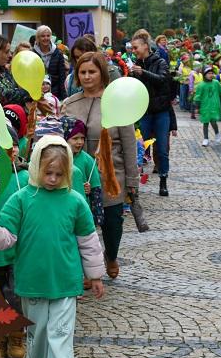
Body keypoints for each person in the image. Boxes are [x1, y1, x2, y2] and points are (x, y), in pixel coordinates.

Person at [0, 136, 106, 358]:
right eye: (48, 172)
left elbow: (88, 239)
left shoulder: (75, 201)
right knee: (38, 333)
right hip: (32, 281)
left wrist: (95, 275)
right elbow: (6, 238)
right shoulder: (21, 199)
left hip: (65, 281)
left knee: (61, 333)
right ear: (36, 167)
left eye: (59, 174)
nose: (52, 178)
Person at [62, 52, 139, 279]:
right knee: (81, 224)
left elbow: (129, 143)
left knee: (112, 223)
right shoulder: (69, 104)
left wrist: (133, 181)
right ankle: (86, 269)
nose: (87, 76)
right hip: (77, 175)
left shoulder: (116, 103)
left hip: (111, 174)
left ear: (102, 73)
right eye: (82, 72)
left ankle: (111, 255)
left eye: (92, 72)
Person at [0, 124, 29, 358]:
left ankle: (16, 336)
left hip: (17, 250)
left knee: (16, 295)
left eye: (9, 145)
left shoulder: (24, 178)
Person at [129, 31, 172, 196]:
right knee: (138, 148)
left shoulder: (160, 62)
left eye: (135, 47)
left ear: (146, 46)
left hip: (160, 111)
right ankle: (134, 184)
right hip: (143, 112)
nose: (133, 50)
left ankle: (163, 180)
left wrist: (143, 73)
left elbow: (162, 79)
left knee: (161, 148)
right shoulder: (135, 64)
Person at [33, 25, 68, 100]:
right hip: (37, 93)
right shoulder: (33, 53)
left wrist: (64, 97)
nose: (46, 38)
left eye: (48, 36)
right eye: (42, 36)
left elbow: (62, 76)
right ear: (38, 38)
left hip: (55, 93)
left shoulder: (58, 53)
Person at [194, 65, 221, 146]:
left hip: (214, 106)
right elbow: (197, 97)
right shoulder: (201, 85)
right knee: (205, 123)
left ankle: (217, 134)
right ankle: (205, 138)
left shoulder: (216, 83)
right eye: (208, 73)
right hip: (205, 107)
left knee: (213, 121)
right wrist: (197, 107)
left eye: (211, 73)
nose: (211, 75)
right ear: (204, 75)